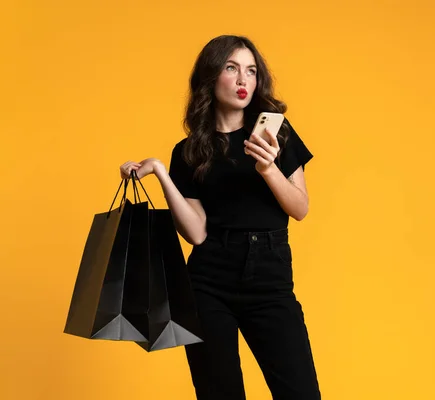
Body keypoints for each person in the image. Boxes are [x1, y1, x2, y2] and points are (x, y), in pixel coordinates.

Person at [119, 35, 321, 400]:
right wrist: (164, 175)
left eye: (251, 71)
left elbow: (300, 208)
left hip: (269, 277)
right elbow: (196, 233)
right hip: (209, 279)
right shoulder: (190, 150)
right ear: (211, 77)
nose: (244, 80)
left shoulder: (277, 135)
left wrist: (268, 168)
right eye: (232, 68)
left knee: (301, 392)